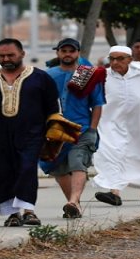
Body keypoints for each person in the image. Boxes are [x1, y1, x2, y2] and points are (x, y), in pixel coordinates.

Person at [0, 38, 60, 227]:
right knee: (4, 172)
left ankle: (29, 211)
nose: (6, 59)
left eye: (10, 55)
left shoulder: (40, 78)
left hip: (32, 134)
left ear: (22, 54)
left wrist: (54, 132)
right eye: (1, 56)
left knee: (26, 168)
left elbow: (53, 107)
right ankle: (12, 214)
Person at [92, 45, 140, 207]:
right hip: (112, 123)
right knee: (111, 153)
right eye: (112, 59)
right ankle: (114, 193)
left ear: (130, 60)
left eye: (120, 59)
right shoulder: (102, 76)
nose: (116, 62)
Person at [41, 38, 105, 219]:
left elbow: (98, 104)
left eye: (71, 51)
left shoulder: (86, 75)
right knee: (58, 168)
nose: (67, 54)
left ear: (78, 53)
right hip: (54, 131)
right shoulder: (48, 75)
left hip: (81, 129)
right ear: (58, 53)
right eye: (64, 50)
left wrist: (92, 130)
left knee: (78, 162)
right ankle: (74, 203)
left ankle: (73, 201)